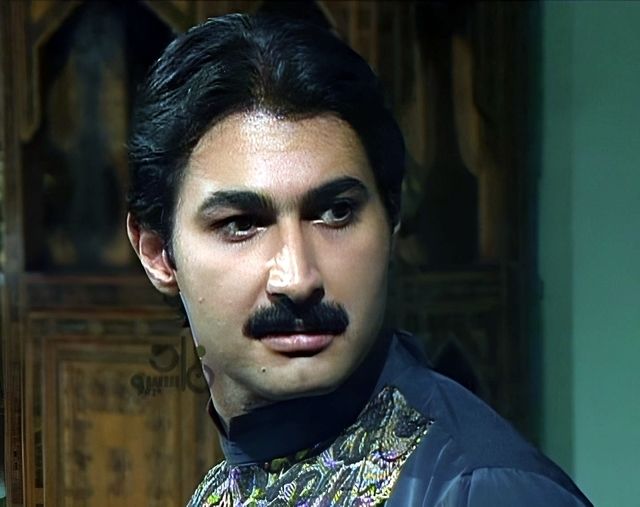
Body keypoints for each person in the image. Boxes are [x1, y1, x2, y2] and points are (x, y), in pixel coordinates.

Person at [126, 12, 592, 507]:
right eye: (242, 224)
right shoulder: (228, 484)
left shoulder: (482, 490)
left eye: (336, 212)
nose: (298, 278)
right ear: (158, 253)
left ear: (392, 218)